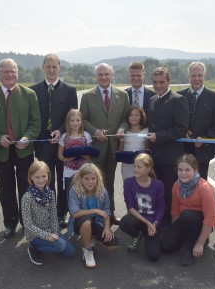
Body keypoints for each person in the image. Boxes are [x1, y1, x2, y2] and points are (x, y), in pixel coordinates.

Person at [0, 58, 41, 239]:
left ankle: (27, 223)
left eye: (13, 71)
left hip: (24, 150)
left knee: (26, 188)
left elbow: (36, 122)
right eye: (6, 71)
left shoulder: (29, 94)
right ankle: (9, 223)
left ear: (17, 73)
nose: (10, 74)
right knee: (6, 188)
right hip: (1, 151)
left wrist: (27, 137)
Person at [30, 53, 78, 227]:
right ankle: (48, 212)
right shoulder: (33, 90)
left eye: (54, 66)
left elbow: (73, 118)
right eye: (48, 66)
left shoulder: (70, 90)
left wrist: (61, 131)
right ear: (43, 67)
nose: (51, 70)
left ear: (59, 68)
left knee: (64, 179)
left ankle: (62, 212)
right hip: (42, 145)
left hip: (64, 143)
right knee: (45, 180)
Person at [80, 63, 130, 225]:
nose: (103, 77)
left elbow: (125, 119)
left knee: (109, 182)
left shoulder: (122, 95)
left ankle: (110, 213)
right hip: (96, 147)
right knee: (92, 182)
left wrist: (122, 129)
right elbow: (83, 119)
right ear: (96, 76)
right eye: (100, 74)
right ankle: (92, 216)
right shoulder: (88, 96)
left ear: (112, 74)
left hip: (114, 146)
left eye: (106, 74)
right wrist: (95, 132)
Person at [147, 67, 189, 228]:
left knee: (170, 192)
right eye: (155, 82)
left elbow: (181, 129)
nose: (158, 86)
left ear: (169, 82)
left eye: (162, 82)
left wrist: (159, 136)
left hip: (170, 155)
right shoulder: (152, 100)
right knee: (158, 191)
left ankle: (172, 222)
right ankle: (160, 218)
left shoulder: (178, 100)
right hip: (155, 156)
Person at [161, 154, 215, 266]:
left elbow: (210, 218)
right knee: (166, 247)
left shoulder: (204, 188)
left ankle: (191, 246)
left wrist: (200, 244)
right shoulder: (176, 185)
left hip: (203, 221)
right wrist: (176, 230)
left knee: (187, 215)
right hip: (185, 220)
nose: (183, 173)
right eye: (180, 170)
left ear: (195, 170)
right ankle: (190, 235)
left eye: (187, 170)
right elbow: (175, 210)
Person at [21, 160, 76, 266]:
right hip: (35, 234)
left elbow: (54, 216)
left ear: (48, 176)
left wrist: (55, 232)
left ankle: (52, 245)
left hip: (50, 230)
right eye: (37, 177)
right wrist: (47, 236)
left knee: (70, 253)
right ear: (31, 177)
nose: (41, 180)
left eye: (43, 176)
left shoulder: (50, 193)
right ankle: (34, 248)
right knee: (60, 246)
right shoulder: (27, 197)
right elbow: (28, 225)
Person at [177, 62, 215, 180]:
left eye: (200, 75)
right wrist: (182, 132)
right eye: (193, 75)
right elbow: (175, 120)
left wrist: (205, 138)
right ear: (188, 76)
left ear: (205, 76)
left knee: (200, 185)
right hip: (182, 150)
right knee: (182, 183)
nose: (196, 79)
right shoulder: (179, 96)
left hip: (202, 152)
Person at [68, 163, 118, 269]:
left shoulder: (102, 190)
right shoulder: (75, 190)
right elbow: (75, 213)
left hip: (97, 221)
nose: (90, 182)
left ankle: (90, 237)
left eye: (93, 178)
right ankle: (87, 250)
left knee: (113, 244)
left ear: (97, 178)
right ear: (80, 178)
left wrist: (107, 227)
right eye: (86, 178)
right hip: (80, 221)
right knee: (87, 221)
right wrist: (95, 210)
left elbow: (106, 212)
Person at [119, 153, 165, 261]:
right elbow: (130, 208)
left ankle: (152, 234)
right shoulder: (128, 183)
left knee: (154, 256)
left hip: (153, 221)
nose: (135, 169)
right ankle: (137, 235)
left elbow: (161, 207)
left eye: (139, 167)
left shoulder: (158, 184)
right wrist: (147, 223)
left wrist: (155, 223)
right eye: (134, 166)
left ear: (148, 168)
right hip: (138, 219)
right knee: (125, 222)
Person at [58, 109, 93, 193]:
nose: (75, 123)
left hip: (83, 172)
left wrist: (78, 153)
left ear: (81, 121)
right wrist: (66, 159)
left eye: (78, 120)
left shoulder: (86, 136)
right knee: (70, 196)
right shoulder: (64, 136)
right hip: (68, 173)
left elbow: (89, 155)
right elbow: (59, 155)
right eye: (72, 121)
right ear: (68, 122)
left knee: (84, 195)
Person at [119, 105, 148, 179]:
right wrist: (121, 139)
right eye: (131, 115)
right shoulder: (124, 132)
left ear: (141, 116)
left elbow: (147, 150)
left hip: (142, 165)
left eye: (136, 115)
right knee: (127, 186)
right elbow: (121, 150)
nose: (134, 117)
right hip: (127, 165)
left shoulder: (146, 131)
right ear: (127, 117)